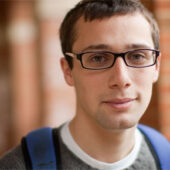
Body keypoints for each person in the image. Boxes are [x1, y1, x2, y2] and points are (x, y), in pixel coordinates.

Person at [0, 0, 169, 169]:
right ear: (68, 71)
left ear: (156, 67)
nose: (121, 79)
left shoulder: (165, 157)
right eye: (98, 58)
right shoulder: (18, 165)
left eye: (137, 56)